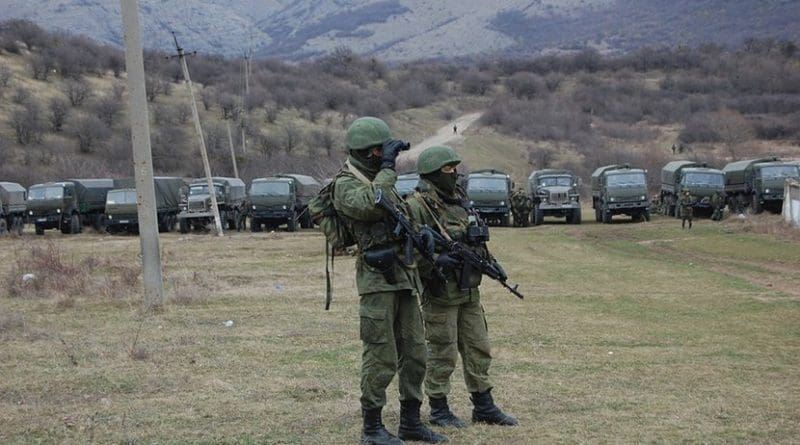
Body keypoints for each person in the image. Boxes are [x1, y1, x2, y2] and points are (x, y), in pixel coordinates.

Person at [333, 117, 447, 444]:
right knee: (380, 354)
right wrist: (387, 166)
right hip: (376, 280)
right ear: (369, 152)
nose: (387, 156)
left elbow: (399, 214)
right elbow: (373, 204)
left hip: (404, 275)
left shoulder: (381, 180)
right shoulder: (346, 184)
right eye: (380, 151)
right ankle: (372, 428)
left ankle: (411, 422)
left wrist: (423, 234)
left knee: (415, 352)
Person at [405, 145, 519, 430]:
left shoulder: (461, 200)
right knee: (442, 351)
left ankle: (483, 405)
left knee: (478, 347)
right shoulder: (417, 206)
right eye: (448, 169)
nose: (454, 174)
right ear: (432, 173)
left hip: (469, 289)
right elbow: (409, 250)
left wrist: (490, 262)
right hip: (440, 292)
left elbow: (476, 240)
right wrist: (435, 260)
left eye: (455, 168)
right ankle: (438, 408)